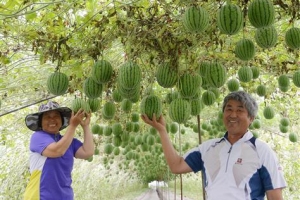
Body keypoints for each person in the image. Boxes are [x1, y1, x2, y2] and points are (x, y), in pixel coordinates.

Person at [141, 90, 286, 200]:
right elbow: (176, 166)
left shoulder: (262, 151)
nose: (233, 115)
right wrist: (162, 131)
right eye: (229, 109)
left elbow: (275, 196)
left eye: (240, 110)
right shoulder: (208, 148)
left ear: (251, 118)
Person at [23, 101, 94, 200]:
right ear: (40, 122)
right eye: (47, 116)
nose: (52, 119)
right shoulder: (38, 137)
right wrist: (72, 126)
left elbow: (88, 152)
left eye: (56, 116)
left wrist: (85, 126)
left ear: (62, 120)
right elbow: (56, 151)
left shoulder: (68, 141)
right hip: (40, 196)